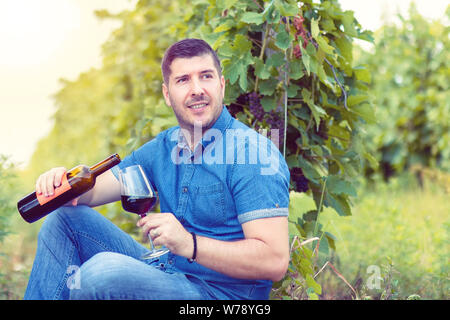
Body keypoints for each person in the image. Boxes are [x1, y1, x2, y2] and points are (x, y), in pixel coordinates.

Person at [24, 38, 290, 300]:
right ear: (167, 94)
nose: (196, 89)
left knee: (99, 273)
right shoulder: (165, 146)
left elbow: (274, 261)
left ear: (221, 85)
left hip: (217, 293)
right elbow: (94, 190)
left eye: (206, 76)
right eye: (183, 80)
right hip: (170, 271)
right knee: (64, 220)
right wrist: (63, 183)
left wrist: (189, 244)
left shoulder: (252, 153)